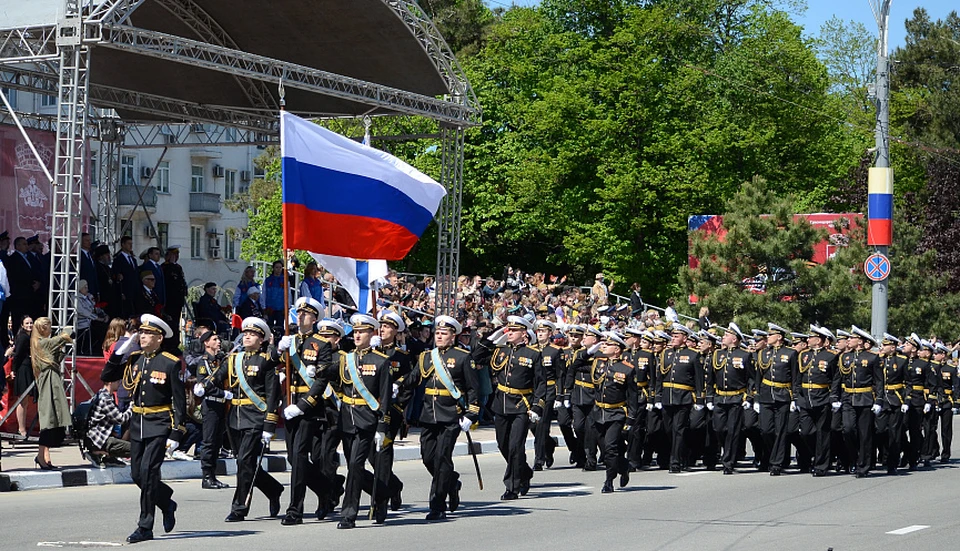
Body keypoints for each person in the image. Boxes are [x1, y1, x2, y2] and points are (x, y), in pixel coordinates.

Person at [101, 314, 186, 544]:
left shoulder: (170, 362)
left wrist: (177, 432)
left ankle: (145, 526)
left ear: (159, 338)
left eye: (148, 334)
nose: (143, 336)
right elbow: (107, 376)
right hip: (138, 423)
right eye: (142, 333)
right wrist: (119, 354)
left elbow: (179, 401)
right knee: (137, 474)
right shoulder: (134, 359)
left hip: (159, 423)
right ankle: (166, 501)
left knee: (148, 472)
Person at [406, 315, 479, 521]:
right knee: (427, 457)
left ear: (453, 336)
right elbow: (413, 378)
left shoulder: (463, 357)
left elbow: (473, 388)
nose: (438, 336)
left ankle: (437, 505)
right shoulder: (426, 356)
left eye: (443, 333)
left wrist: (471, 414)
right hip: (429, 413)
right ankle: (451, 482)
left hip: (451, 415)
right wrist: (394, 384)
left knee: (441, 459)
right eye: (437, 333)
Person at [214, 317, 283, 522]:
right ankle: (273, 489)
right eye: (245, 333)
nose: (247, 336)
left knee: (245, 461)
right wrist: (205, 386)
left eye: (252, 334)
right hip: (234, 418)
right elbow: (217, 377)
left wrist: (270, 424)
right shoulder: (234, 359)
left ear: (262, 339)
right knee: (245, 463)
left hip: (255, 417)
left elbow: (273, 395)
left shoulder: (266, 361)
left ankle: (239, 508)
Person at [329, 313, 392, 529]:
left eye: (362, 331)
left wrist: (382, 426)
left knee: (355, 464)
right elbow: (327, 373)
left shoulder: (381, 362)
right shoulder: (345, 358)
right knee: (354, 467)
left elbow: (385, 397)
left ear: (371, 333)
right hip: (346, 419)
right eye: (355, 332)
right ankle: (383, 494)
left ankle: (348, 514)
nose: (357, 335)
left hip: (367, 421)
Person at [278, 297, 336, 525]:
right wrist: (277, 350)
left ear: (314, 318)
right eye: (298, 312)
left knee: (300, 455)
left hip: (308, 407)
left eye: (306, 313)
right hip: (290, 402)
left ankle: (295, 509)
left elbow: (321, 381)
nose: (300, 316)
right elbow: (271, 365)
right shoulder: (289, 341)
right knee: (294, 458)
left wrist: (302, 406)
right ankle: (325, 489)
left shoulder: (321, 344)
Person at [476, 315, 546, 500]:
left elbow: (541, 383)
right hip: (501, 403)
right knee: (503, 444)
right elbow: (476, 356)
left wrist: (538, 407)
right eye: (508, 330)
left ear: (524, 333)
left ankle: (512, 487)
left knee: (516, 446)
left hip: (521, 404)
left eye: (514, 331)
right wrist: (492, 337)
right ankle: (524, 472)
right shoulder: (500, 351)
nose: (510, 333)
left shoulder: (533, 354)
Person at [375, 310, 413, 512]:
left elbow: (409, 382)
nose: (382, 330)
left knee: (383, 453)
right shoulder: (372, 350)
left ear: (396, 332)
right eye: (381, 326)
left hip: (391, 410)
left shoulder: (401, 356)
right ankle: (394, 485)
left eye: (387, 327)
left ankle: (381, 497)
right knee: (373, 456)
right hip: (370, 408)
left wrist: (398, 403)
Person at [591, 332, 638, 493]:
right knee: (605, 449)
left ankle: (609, 480)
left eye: (608, 344)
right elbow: (580, 360)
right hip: (599, 411)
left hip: (616, 412)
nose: (604, 346)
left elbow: (632, 396)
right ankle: (624, 467)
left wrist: (631, 418)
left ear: (617, 349)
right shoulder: (598, 363)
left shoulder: (627, 369)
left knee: (611, 447)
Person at [706, 323, 755, 475]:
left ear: (734, 339)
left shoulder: (745, 355)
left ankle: (728, 462)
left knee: (733, 431)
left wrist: (749, 397)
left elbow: (751, 379)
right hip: (720, 397)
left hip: (737, 397)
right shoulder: (717, 354)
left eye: (726, 335)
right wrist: (709, 397)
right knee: (719, 429)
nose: (723, 337)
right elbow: (710, 379)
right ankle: (726, 453)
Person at [655, 324, 704, 473]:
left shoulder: (693, 354)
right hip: (667, 396)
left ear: (685, 338)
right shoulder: (666, 354)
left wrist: (700, 399)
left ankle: (675, 462)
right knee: (669, 429)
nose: (673, 338)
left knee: (678, 429)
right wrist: (657, 396)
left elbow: (699, 379)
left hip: (684, 397)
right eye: (673, 336)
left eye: (677, 336)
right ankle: (682, 453)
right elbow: (660, 377)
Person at [187, 329, 230, 489]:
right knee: (209, 441)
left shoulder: (218, 360)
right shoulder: (203, 362)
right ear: (206, 343)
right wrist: (223, 393)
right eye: (214, 339)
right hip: (211, 404)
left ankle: (213, 475)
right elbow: (205, 386)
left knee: (217, 442)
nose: (218, 342)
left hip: (220, 405)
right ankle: (206, 476)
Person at [837, 326, 883, 478]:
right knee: (848, 429)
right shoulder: (845, 357)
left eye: (852, 338)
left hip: (865, 398)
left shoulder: (872, 357)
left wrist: (879, 401)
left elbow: (879, 381)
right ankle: (854, 459)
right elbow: (839, 379)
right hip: (848, 398)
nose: (848, 340)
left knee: (865, 435)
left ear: (861, 341)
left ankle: (863, 466)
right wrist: (835, 397)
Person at [794, 325, 839, 477]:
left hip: (822, 397)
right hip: (805, 398)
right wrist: (796, 396)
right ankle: (818, 453)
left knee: (823, 433)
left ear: (819, 340)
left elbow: (835, 379)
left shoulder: (831, 356)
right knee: (806, 432)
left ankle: (821, 465)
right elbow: (798, 377)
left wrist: (833, 398)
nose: (808, 339)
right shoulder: (803, 355)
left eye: (811, 337)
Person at [31, 317, 74, 470]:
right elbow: (62, 338)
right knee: (49, 421)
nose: (50, 329)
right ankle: (42, 457)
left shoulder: (41, 343)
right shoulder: (42, 343)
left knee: (52, 420)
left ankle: (44, 456)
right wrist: (68, 331)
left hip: (52, 381)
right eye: (48, 327)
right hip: (49, 382)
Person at [531, 319, 563, 470]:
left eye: (543, 331)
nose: (540, 334)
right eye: (539, 331)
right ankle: (549, 444)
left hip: (549, 390)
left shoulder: (555, 351)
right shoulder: (531, 350)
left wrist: (559, 395)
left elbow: (560, 375)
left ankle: (539, 459)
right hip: (534, 391)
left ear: (550, 333)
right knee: (532, 424)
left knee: (542, 425)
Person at [876, 333, 908, 474]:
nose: (882, 347)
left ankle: (892, 463)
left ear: (893, 347)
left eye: (886, 345)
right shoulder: (878, 360)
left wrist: (906, 400)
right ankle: (884, 455)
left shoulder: (901, 360)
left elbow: (908, 382)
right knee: (881, 430)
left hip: (896, 399)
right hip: (882, 400)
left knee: (894, 433)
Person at [85, 378, 133, 466]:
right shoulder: (105, 399)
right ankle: (97, 453)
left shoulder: (102, 394)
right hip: (100, 440)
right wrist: (132, 407)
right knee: (135, 449)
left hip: (97, 438)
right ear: (110, 382)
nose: (119, 383)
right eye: (117, 381)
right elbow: (121, 419)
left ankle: (107, 457)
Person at [6, 316, 35, 439]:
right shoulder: (23, 337)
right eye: (27, 323)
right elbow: (17, 355)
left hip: (27, 369)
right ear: (22, 325)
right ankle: (21, 429)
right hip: (23, 370)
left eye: (31, 323)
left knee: (25, 401)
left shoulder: (28, 337)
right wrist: (13, 370)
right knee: (22, 400)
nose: (30, 325)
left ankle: (22, 428)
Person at [161, 245, 188, 349]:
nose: (176, 257)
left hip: (178, 301)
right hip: (169, 300)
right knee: (170, 322)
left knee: (176, 324)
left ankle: (175, 344)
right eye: (174, 254)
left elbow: (181, 281)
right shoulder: (165, 267)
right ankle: (169, 344)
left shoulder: (178, 267)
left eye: (177, 254)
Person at [76, 279, 108, 355]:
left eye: (87, 287)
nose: (87, 289)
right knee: (100, 328)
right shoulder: (76, 298)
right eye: (85, 287)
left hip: (95, 319)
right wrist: (99, 318)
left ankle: (103, 348)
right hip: (84, 321)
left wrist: (104, 315)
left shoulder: (89, 296)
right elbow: (84, 312)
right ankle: (97, 350)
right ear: (80, 289)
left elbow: (96, 307)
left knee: (106, 326)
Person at [112, 236, 140, 318]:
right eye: (128, 244)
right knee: (126, 313)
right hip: (125, 291)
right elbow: (116, 275)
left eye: (131, 244)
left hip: (134, 291)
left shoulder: (133, 259)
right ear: (123, 245)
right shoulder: (118, 259)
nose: (131, 246)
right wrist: (121, 292)